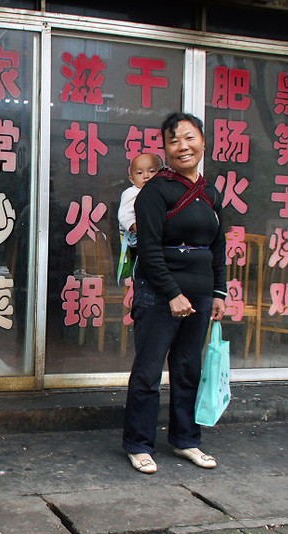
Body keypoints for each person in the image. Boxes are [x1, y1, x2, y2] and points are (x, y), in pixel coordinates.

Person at [122, 112, 226, 474]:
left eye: (189, 138)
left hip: (200, 294)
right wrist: (172, 293)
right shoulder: (155, 191)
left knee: (187, 369)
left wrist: (219, 292)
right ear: (165, 149)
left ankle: (186, 439)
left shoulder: (211, 193)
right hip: (158, 294)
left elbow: (218, 247)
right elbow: (148, 249)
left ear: (203, 142)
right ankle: (138, 444)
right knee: (148, 371)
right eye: (174, 140)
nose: (183, 146)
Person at [117, 153, 163, 282]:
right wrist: (135, 226)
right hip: (138, 237)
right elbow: (124, 214)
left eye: (152, 171)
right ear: (132, 179)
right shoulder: (131, 193)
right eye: (139, 173)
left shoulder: (161, 192)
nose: (146, 176)